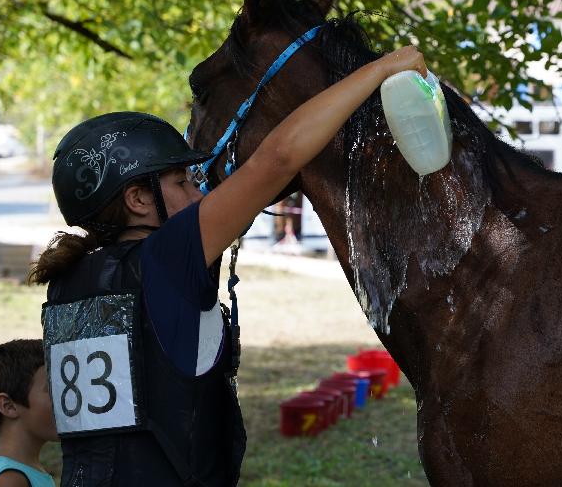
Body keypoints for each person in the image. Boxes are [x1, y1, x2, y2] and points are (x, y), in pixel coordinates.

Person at [30, 45, 427, 486]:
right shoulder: (164, 260)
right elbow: (277, 160)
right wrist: (383, 67)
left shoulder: (66, 283)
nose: (199, 195)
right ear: (138, 200)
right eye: (181, 183)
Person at [0, 339, 58, 487]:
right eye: (52, 389)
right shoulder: (9, 479)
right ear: (9, 406)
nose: (66, 398)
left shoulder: (21, 470)